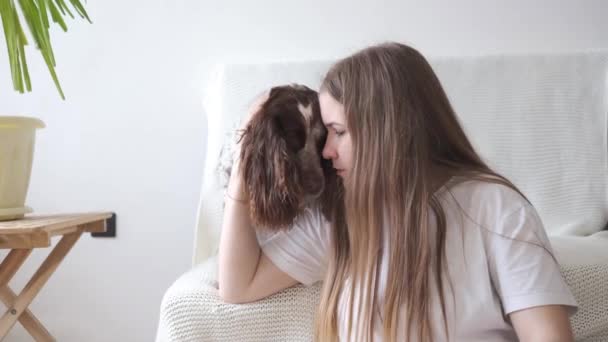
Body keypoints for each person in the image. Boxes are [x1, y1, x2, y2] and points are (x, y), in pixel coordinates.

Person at [218, 42, 578, 341]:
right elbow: (239, 285)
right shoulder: (339, 216)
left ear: (387, 131)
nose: (326, 152)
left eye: (338, 132)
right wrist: (244, 162)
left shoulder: (497, 209)